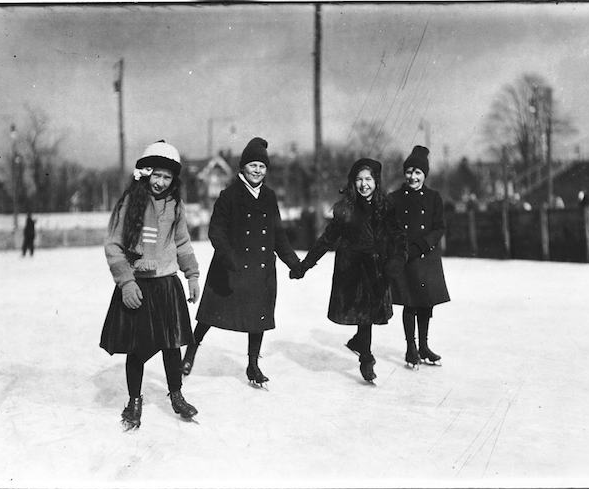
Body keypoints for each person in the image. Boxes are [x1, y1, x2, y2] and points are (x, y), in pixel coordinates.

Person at [181, 137, 302, 387]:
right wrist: (229, 257)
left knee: (258, 318)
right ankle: (191, 349)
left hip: (260, 269)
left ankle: (253, 364)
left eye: (262, 166)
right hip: (230, 268)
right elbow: (216, 231)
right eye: (252, 165)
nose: (257, 170)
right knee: (209, 316)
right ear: (242, 168)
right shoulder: (229, 195)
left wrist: (293, 263)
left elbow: (278, 235)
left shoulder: (269, 196)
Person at [100, 140, 201, 430]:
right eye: (156, 175)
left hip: (167, 285)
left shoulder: (175, 205)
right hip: (138, 286)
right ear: (145, 174)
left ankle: (177, 394)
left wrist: (192, 276)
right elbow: (113, 246)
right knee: (137, 348)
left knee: (171, 346)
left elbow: (182, 243)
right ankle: (134, 399)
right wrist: (126, 283)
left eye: (167, 177)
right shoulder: (130, 203)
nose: (161, 182)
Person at [290, 158, 406, 383]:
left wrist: (397, 260)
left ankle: (359, 344)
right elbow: (327, 239)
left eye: (369, 179)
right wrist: (305, 265)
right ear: (353, 182)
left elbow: (399, 236)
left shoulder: (387, 206)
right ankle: (366, 357)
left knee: (369, 314)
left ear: (376, 182)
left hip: (377, 267)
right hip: (351, 269)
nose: (364, 185)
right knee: (365, 314)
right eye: (359, 179)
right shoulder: (345, 208)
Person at [387, 146, 450, 367]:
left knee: (426, 303)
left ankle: (423, 346)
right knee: (410, 303)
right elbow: (389, 228)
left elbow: (439, 227)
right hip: (405, 258)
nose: (412, 177)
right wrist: (402, 249)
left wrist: (423, 245)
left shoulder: (434, 198)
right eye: (409, 172)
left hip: (427, 258)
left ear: (425, 175)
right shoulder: (394, 198)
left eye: (417, 173)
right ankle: (410, 348)